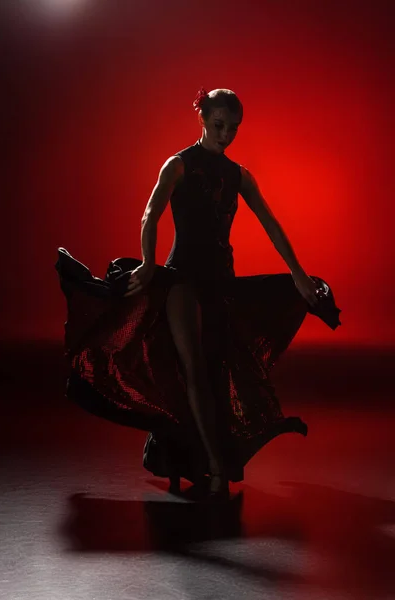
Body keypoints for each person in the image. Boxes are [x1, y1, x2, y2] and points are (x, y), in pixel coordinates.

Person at [56, 87, 341, 502]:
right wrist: (150, 263)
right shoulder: (179, 165)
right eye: (219, 126)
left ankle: (184, 456)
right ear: (203, 120)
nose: (226, 136)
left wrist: (298, 274)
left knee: (216, 370)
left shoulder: (238, 174)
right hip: (182, 279)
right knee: (192, 369)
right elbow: (150, 213)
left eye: (234, 129)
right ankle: (216, 467)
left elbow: (272, 224)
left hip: (222, 281)